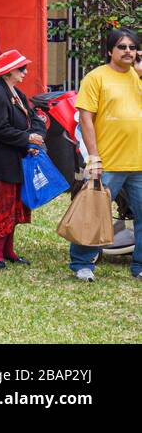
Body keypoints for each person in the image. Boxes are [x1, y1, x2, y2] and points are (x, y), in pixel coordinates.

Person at [68, 27, 142, 281]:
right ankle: (81, 264)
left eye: (132, 47)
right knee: (93, 213)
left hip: (139, 162)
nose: (128, 51)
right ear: (110, 50)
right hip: (107, 162)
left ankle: (139, 266)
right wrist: (94, 157)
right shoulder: (96, 78)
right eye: (122, 47)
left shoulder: (139, 77)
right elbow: (86, 119)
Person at [0, 48, 44, 269]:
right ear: (8, 71)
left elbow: (36, 119)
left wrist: (35, 139)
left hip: (16, 158)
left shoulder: (17, 93)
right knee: (5, 206)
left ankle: (8, 250)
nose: (25, 72)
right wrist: (28, 138)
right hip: (1, 161)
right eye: (21, 68)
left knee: (15, 205)